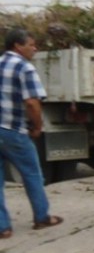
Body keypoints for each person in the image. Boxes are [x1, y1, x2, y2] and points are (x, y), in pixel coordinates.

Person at [0, 28, 63, 239]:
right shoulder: (24, 68)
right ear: (17, 46)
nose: (35, 48)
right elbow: (32, 103)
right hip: (13, 130)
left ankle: (3, 227)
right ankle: (42, 217)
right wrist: (37, 127)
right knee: (32, 173)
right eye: (31, 44)